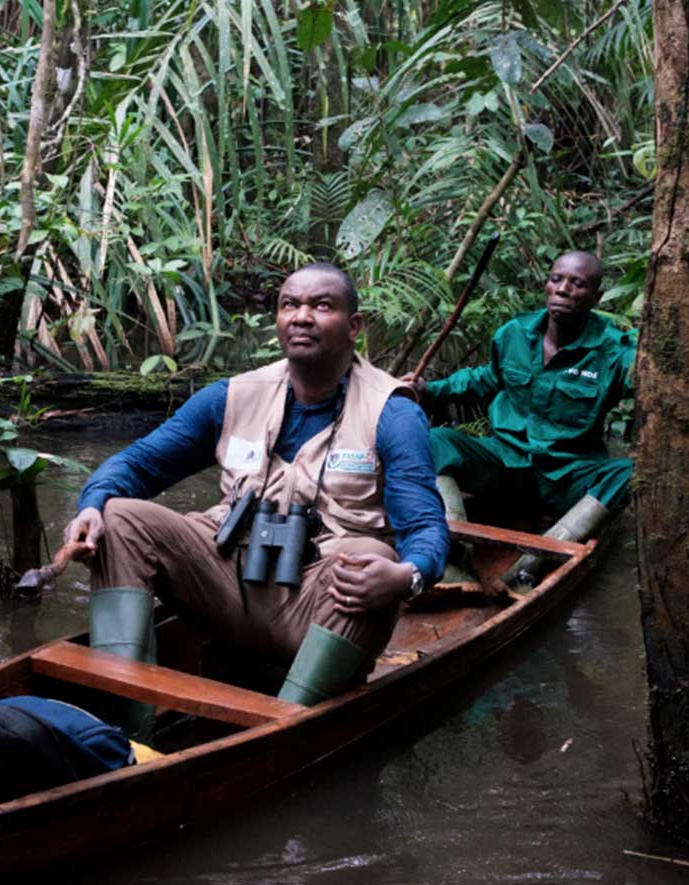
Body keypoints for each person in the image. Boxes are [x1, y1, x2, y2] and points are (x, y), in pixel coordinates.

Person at [62, 264, 448, 715]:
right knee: (119, 515)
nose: (301, 317)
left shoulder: (393, 414)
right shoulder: (233, 396)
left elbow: (426, 527)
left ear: (354, 326)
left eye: (322, 305)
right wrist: (90, 506)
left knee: (373, 560)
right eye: (290, 305)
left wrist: (408, 576)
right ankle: (123, 720)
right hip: (224, 584)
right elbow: (136, 464)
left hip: (316, 605)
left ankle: (282, 729)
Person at [409, 251, 636, 527]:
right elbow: (488, 377)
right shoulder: (515, 333)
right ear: (547, 287)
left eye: (577, 284)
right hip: (506, 461)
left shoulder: (613, 349)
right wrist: (430, 389)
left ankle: (542, 554)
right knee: (435, 440)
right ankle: (453, 535)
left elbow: (643, 379)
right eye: (557, 279)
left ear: (595, 297)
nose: (563, 290)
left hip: (568, 474)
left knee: (628, 473)